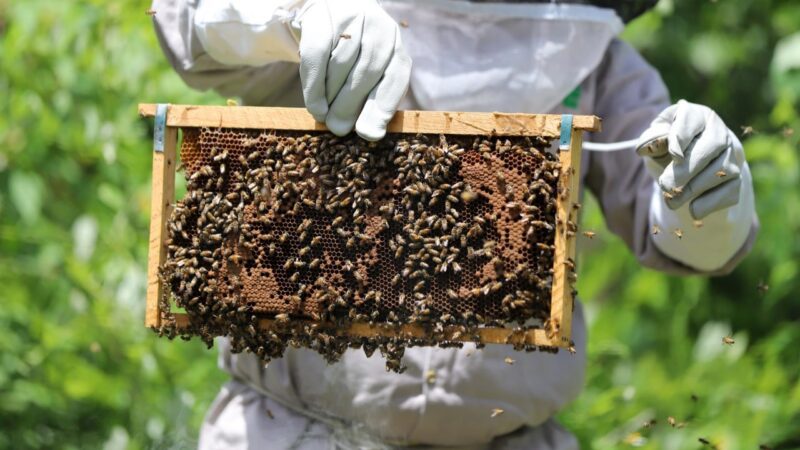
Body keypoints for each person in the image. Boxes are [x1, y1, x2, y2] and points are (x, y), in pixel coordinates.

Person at [152, 0, 759, 448]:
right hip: (288, 432)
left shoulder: (599, 63)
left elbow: (682, 237)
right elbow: (190, 24)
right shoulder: (342, 20)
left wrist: (706, 194)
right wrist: (297, 19)